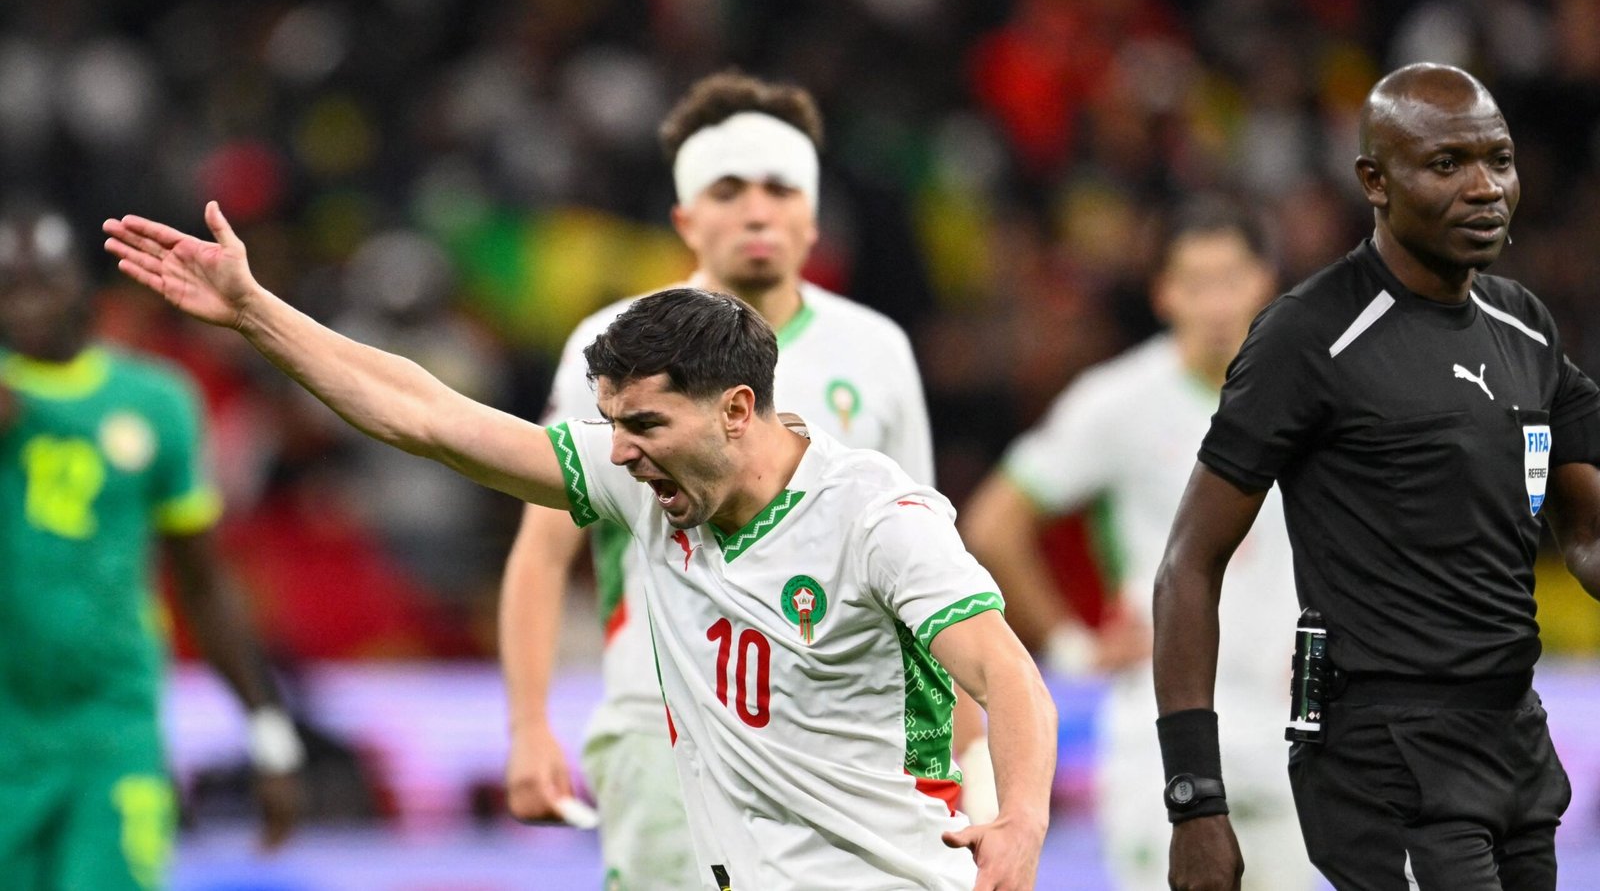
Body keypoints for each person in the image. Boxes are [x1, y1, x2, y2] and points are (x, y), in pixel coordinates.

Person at [104, 206, 1058, 890]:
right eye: (612, 424)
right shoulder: (644, 482)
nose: (622, 451)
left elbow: (1009, 678)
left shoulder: (876, 518)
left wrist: (1020, 823)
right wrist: (256, 314)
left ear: (735, 410)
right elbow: (429, 418)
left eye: (643, 423)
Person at [493, 70, 993, 888]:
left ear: (812, 211)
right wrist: (526, 725)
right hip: (661, 720)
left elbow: (930, 573)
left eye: (779, 187)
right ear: (686, 217)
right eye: (729, 189)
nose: (757, 209)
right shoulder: (613, 344)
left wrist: (968, 750)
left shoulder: (878, 350)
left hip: (840, 743)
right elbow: (544, 550)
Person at [1153, 63, 1600, 891]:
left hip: (1516, 744)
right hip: (1383, 756)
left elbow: (1587, 534)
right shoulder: (1310, 336)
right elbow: (1189, 561)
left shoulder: (1527, 328)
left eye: (1498, 161)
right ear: (1375, 182)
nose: (1485, 188)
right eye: (1446, 164)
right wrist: (1194, 798)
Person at [960, 198, 1313, 890]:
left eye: (1230, 278)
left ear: (1264, 281)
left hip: (1286, 725)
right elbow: (994, 522)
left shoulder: (1312, 394)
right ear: (1163, 292)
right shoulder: (1119, 401)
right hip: (1163, 731)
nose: (1215, 302)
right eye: (1194, 282)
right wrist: (1073, 646)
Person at [0, 206, 304, 890]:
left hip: (113, 726)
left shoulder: (156, 403)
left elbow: (202, 581)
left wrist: (268, 729)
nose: (23, 305)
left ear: (83, 286)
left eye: (39, 282)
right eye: (5, 287)